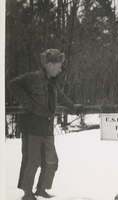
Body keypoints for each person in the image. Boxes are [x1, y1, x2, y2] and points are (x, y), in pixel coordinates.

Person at [8, 49, 82, 200]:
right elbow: (12, 84)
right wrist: (27, 103)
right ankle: (27, 193)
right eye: (58, 66)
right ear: (49, 64)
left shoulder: (53, 83)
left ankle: (41, 189)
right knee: (32, 160)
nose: (60, 69)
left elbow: (62, 98)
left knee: (51, 161)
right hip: (32, 126)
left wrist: (75, 108)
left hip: (47, 128)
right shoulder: (32, 78)